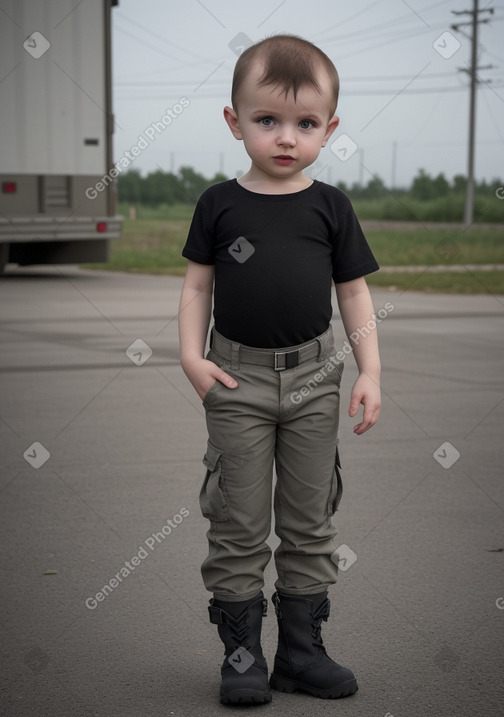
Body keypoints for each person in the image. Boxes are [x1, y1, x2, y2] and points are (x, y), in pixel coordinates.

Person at [178, 33, 381, 706]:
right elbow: (196, 289)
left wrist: (369, 371)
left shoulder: (331, 207)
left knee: (310, 520)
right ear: (235, 122)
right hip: (236, 381)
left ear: (330, 128)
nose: (286, 137)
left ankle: (301, 651)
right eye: (267, 120)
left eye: (305, 123)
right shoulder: (217, 204)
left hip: (316, 379)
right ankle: (242, 656)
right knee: (237, 519)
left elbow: (354, 295)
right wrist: (191, 356)